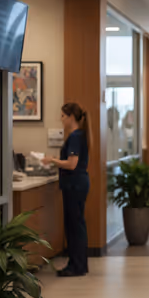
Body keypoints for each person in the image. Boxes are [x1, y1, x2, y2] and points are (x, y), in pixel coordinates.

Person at [43, 102, 91, 277]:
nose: (61, 120)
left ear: (71, 117)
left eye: (63, 116)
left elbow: (72, 164)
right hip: (78, 183)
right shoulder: (80, 135)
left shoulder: (76, 137)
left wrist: (52, 160)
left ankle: (76, 266)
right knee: (77, 224)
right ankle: (79, 264)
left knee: (74, 226)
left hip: (74, 184)